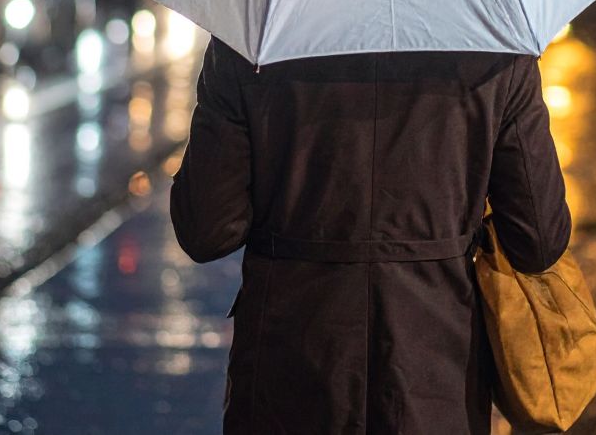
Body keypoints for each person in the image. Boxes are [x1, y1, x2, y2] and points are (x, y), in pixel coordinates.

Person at [170, 35, 572, 435]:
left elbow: (207, 231)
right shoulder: (497, 51)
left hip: (288, 370)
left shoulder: (250, 45)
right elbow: (538, 241)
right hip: (438, 374)